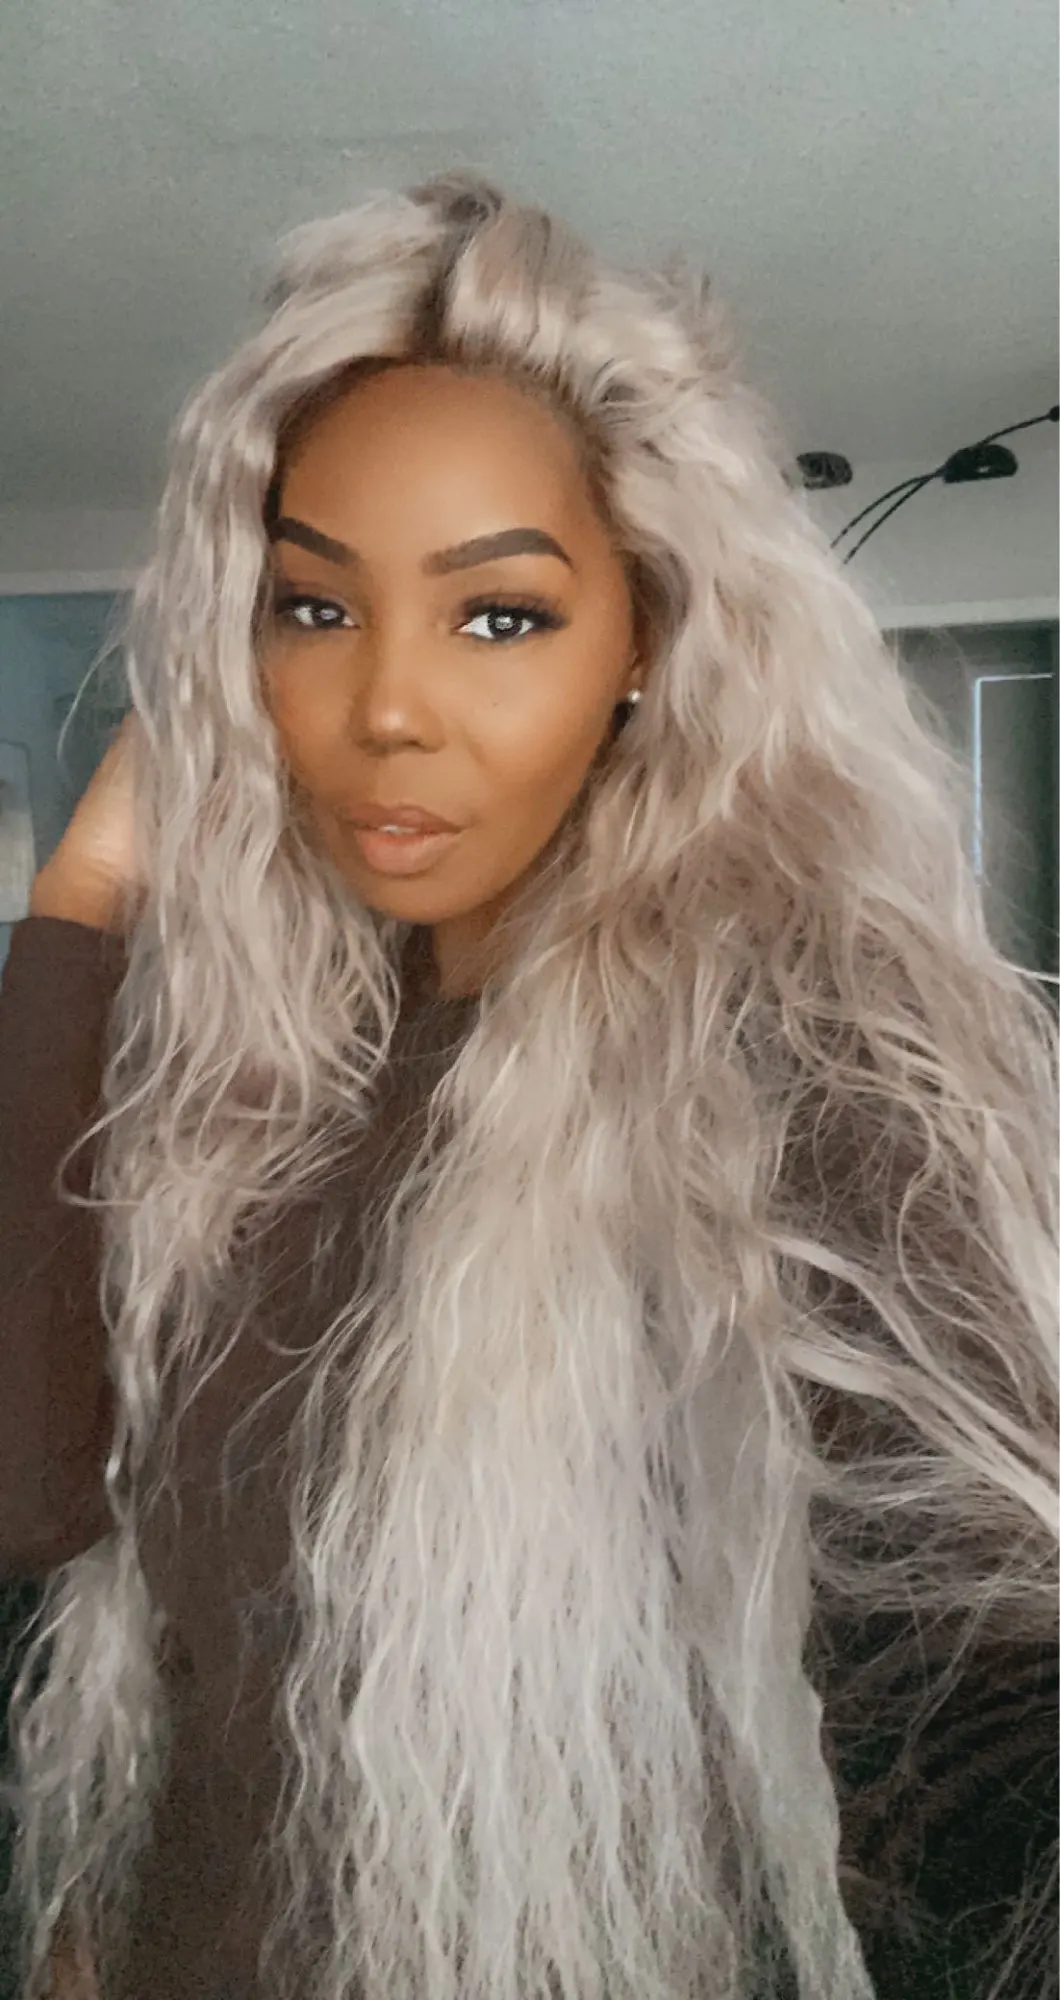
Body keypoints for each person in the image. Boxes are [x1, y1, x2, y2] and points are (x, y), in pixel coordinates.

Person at [0, 172, 1055, 2000]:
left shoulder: (787, 1045)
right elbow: (37, 1503)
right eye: (313, 608)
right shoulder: (266, 1064)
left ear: (644, 639)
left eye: (499, 617)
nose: (387, 710)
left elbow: (965, 1682)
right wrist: (79, 904)